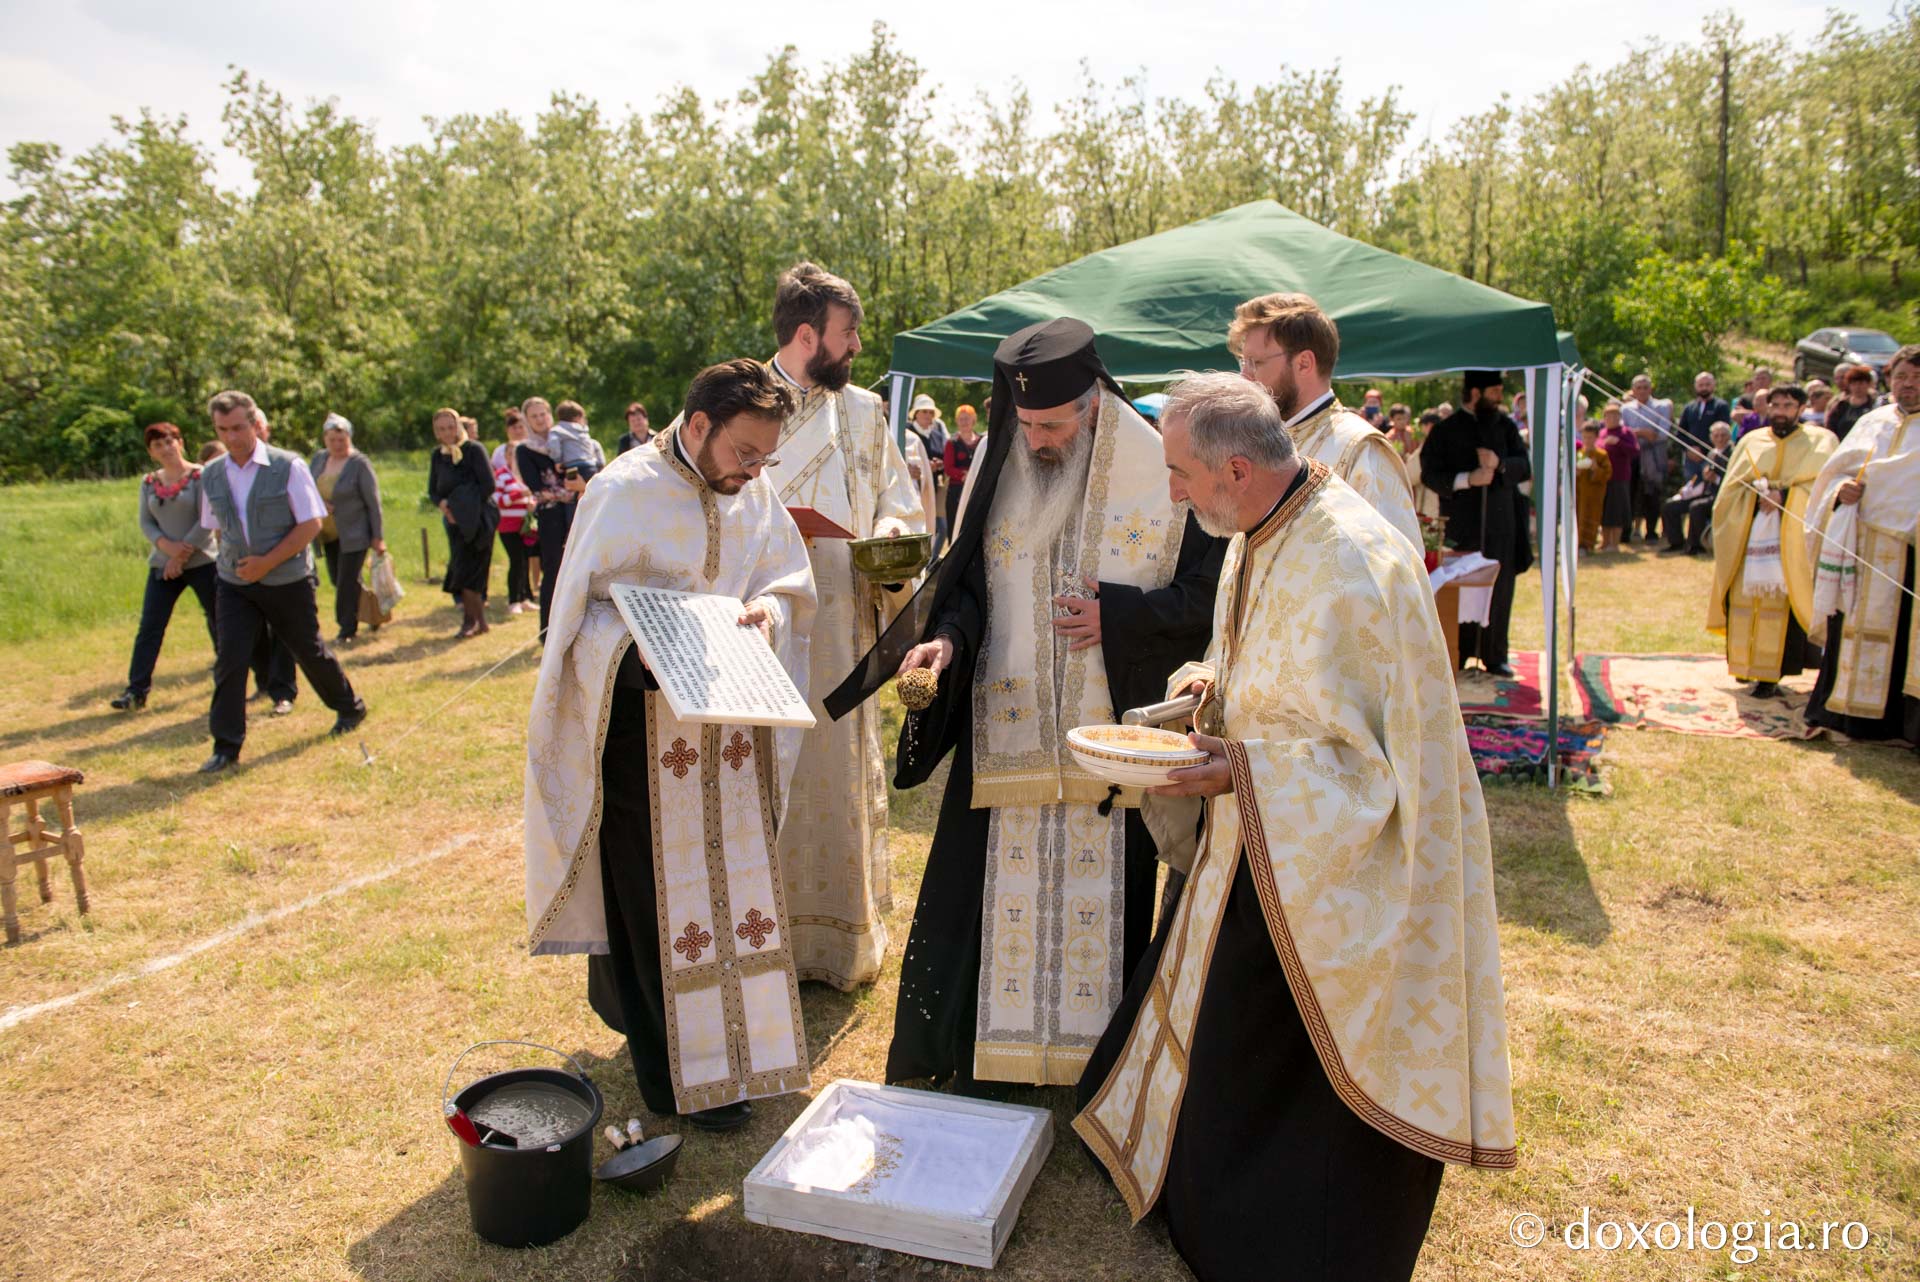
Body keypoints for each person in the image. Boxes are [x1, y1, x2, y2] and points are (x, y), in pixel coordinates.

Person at [1075, 372, 1515, 1282]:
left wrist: (1245, 766)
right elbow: (1259, 662)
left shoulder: (1353, 562)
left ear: (1235, 468)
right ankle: (1203, 1203)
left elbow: (1377, 772)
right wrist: (1208, 683)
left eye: (1181, 473)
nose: (1173, 493)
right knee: (1226, 1027)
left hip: (1339, 869)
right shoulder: (1261, 525)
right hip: (1262, 840)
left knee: (1280, 1061)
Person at [832, 317, 1225, 1091]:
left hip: (1108, 742)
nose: (1036, 439)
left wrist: (1120, 615)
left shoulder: (1160, 466)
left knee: (1104, 909)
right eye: (1027, 423)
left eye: (1050, 424)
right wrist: (945, 640)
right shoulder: (1001, 452)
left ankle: (1092, 1076)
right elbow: (971, 583)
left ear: (1092, 403)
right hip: (1005, 727)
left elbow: (1211, 596)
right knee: (978, 900)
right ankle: (982, 1066)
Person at [524, 358, 816, 1132]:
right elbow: (574, 623)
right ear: (697, 426)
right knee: (661, 908)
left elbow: (789, 578)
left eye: (765, 458)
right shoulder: (622, 491)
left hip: (730, 738)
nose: (754, 472)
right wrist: (637, 648)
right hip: (643, 740)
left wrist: (766, 612)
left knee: (740, 899)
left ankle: (743, 1051)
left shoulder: (752, 491)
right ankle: (681, 1079)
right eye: (743, 453)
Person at [755, 263, 924, 991]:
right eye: (847, 333)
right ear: (805, 334)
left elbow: (898, 498)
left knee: (835, 779)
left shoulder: (863, 412)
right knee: (764, 780)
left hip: (842, 628)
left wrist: (887, 534)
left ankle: (840, 941)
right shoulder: (740, 400)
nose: (858, 346)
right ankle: (764, 941)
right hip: (761, 627)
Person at [196, 391, 367, 773]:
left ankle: (349, 707)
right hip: (235, 581)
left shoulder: (287, 466)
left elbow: (310, 523)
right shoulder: (211, 474)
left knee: (308, 649)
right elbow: (216, 528)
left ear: (256, 424)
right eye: (223, 429)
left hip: (287, 578)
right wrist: (237, 566)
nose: (232, 437)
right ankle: (226, 746)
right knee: (230, 659)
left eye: (239, 427)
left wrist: (266, 563)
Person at [1229, 293, 1422, 549]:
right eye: (1243, 362)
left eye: (1256, 363)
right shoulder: (1257, 442)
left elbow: (1398, 573)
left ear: (1304, 363)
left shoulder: (1360, 451)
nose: (1245, 377)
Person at [1803, 344, 1920, 742]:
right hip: (1862, 545)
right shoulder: (1873, 421)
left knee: (1906, 635)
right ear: (1890, 379)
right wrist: (1841, 493)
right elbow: (1832, 476)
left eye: (1918, 377)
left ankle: (1903, 724)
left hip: (1911, 555)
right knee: (1851, 628)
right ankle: (1846, 713)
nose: (1909, 385)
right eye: (1903, 376)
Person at [1709, 385, 1839, 697]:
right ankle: (1743, 665)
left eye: (1788, 405)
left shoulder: (1821, 442)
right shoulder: (1752, 441)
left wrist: (1787, 496)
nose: (1780, 411)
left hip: (1790, 539)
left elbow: (1825, 489)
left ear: (1801, 408)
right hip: (1749, 534)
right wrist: (1752, 495)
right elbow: (1728, 492)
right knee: (1745, 599)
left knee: (1779, 602)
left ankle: (1771, 674)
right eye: (1776, 405)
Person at [1420, 371, 1533, 673]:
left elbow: (1524, 466)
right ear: (1474, 393)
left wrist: (1500, 466)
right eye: (1494, 392)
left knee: (1500, 588)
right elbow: (1430, 473)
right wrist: (1467, 479)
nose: (1499, 397)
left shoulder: (1506, 427)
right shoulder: (1446, 430)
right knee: (1459, 591)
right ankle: (1459, 653)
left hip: (1501, 525)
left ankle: (1496, 655)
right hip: (1461, 526)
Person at [113, 423, 219, 711]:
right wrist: (166, 548)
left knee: (219, 619)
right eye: (158, 444)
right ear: (151, 452)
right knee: (150, 626)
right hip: (163, 564)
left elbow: (208, 519)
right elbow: (145, 522)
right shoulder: (148, 482)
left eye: (170, 441)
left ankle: (229, 681)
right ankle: (136, 692)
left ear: (181, 443)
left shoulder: (202, 475)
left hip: (201, 560)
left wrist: (181, 554)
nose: (166, 447)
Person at [308, 414, 385, 646]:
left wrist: (378, 536)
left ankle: (346, 628)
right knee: (339, 579)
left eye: (341, 439)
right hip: (328, 532)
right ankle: (374, 609)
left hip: (355, 532)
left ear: (349, 438)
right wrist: (318, 506)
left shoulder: (359, 463)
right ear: (325, 439)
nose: (337, 444)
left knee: (346, 581)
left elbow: (373, 501)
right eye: (332, 439)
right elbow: (308, 489)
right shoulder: (319, 460)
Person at [242, 414, 299, 715]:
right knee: (250, 632)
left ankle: (282, 691)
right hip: (244, 569)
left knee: (284, 631)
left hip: (286, 568)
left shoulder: (287, 466)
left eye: (256, 427)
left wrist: (272, 559)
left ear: (264, 429)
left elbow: (306, 521)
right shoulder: (227, 471)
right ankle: (263, 681)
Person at [428, 409, 498, 639]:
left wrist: (464, 507)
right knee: (461, 569)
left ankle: (472, 622)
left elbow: (488, 485)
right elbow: (433, 490)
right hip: (454, 522)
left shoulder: (473, 450)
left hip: (479, 520)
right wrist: (445, 506)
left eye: (450, 427)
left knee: (474, 571)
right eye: (441, 429)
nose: (447, 432)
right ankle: (477, 622)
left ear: (458, 427)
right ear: (436, 432)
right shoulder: (437, 455)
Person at [517, 396, 578, 633]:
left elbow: (578, 468)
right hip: (550, 516)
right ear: (527, 421)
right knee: (552, 570)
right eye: (534, 416)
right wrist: (567, 493)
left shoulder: (563, 441)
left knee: (575, 567)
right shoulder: (525, 449)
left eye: (543, 414)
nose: (540, 420)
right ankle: (547, 629)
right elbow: (536, 487)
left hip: (574, 511)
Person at [1663, 423, 1731, 555]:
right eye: (1716, 436)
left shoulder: (1731, 454)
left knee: (1696, 507)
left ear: (1729, 437)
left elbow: (1733, 481)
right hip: (1704, 493)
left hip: (1720, 497)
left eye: (1723, 435)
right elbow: (1701, 479)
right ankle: (1676, 543)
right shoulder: (1712, 453)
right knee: (1670, 506)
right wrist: (1688, 489)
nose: (1720, 439)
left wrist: (1715, 479)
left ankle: (1697, 545)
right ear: (1711, 438)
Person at [1621, 374, 1674, 544]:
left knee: (1652, 493)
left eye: (1645, 387)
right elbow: (1624, 433)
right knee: (1630, 492)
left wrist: (1637, 433)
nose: (1642, 390)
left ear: (1651, 389)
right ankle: (1626, 532)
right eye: (1639, 387)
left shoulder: (1661, 406)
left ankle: (1651, 532)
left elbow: (1662, 434)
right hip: (1633, 455)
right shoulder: (1626, 409)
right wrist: (1644, 432)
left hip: (1654, 456)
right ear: (1633, 390)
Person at [492, 431, 535, 616]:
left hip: (525, 525)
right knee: (516, 561)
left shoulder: (524, 475)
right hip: (507, 526)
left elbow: (532, 495)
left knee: (525, 560)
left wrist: (531, 503)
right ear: (506, 455)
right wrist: (520, 495)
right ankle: (513, 600)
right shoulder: (501, 475)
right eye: (511, 454)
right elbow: (499, 500)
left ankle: (525, 597)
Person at [1596, 401, 1639, 552]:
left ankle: (1615, 543)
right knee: (1605, 510)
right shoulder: (1601, 433)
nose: (1611, 418)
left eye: (1615, 415)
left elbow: (1634, 452)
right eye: (1608, 415)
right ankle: (1605, 541)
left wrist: (1619, 443)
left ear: (1620, 417)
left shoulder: (1626, 433)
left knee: (1617, 510)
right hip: (1602, 478)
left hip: (1619, 477)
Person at [1677, 372, 1731, 485]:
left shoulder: (1721, 406)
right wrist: (1689, 449)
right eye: (1701, 385)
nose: (1704, 388)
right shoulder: (1689, 407)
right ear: (1696, 386)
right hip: (1690, 458)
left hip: (1712, 458)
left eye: (1707, 384)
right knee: (1690, 488)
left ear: (1713, 385)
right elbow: (1680, 432)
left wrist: (1702, 450)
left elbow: (1724, 433)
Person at [1574, 417, 1612, 553]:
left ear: (1596, 437)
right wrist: (1576, 473)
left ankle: (1588, 545)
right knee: (1579, 517)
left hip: (1594, 494)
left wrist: (1596, 469)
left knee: (1592, 517)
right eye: (1585, 437)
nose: (1587, 441)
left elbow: (1607, 473)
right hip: (1580, 493)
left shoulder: (1602, 454)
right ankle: (1577, 544)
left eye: (1590, 437)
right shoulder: (1579, 454)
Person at [943, 403, 982, 536]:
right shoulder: (952, 442)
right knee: (956, 526)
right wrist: (964, 476)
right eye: (961, 419)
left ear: (973, 419)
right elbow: (948, 468)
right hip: (957, 491)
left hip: (977, 489)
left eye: (967, 418)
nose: (964, 422)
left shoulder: (981, 441)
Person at [1827, 364, 1882, 443]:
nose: (1857, 387)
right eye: (1854, 384)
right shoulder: (1841, 406)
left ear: (1868, 384)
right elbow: (1830, 428)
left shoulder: (1875, 404)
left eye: (1861, 383)